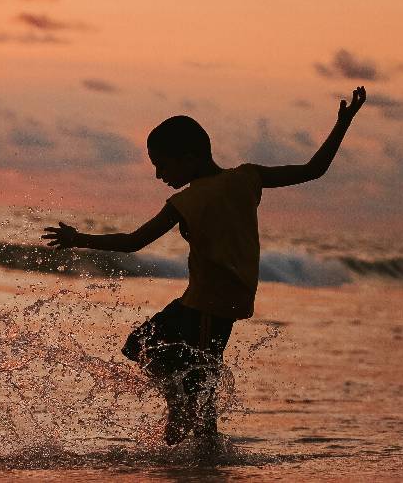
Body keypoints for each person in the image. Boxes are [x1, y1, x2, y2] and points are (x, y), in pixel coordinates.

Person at [42, 86, 366, 446]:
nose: (158, 174)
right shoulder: (247, 177)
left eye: (163, 164)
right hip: (217, 303)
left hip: (206, 305)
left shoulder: (187, 200)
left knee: (163, 360)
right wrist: (343, 124)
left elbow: (135, 241)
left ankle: (189, 423)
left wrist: (79, 239)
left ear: (191, 157)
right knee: (168, 360)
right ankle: (196, 436)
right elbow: (314, 169)